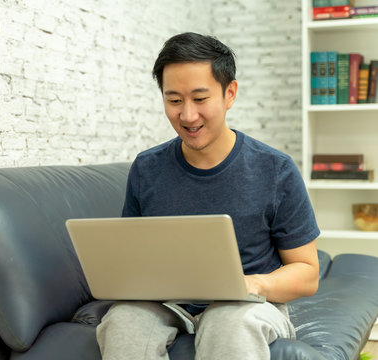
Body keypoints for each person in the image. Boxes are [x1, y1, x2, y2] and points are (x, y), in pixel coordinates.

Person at [96, 32, 321, 360]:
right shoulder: (147, 168)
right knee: (123, 321)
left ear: (230, 94)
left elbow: (306, 272)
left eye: (200, 99)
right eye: (174, 100)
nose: (187, 116)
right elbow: (133, 258)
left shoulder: (275, 169)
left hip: (246, 306)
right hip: (166, 305)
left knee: (228, 322)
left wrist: (253, 285)